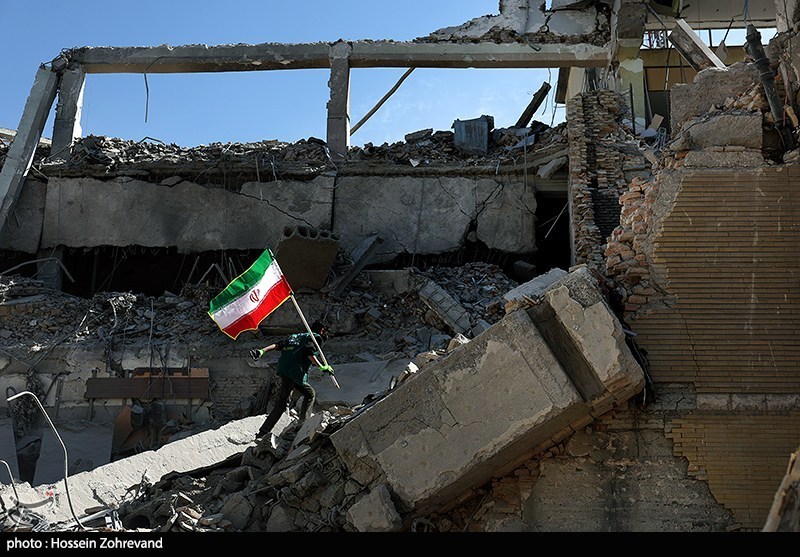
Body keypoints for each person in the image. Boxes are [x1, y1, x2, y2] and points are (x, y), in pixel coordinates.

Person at [249, 320, 334, 441]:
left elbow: (278, 345)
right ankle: (265, 433)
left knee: (309, 393)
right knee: (282, 404)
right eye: (326, 332)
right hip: (294, 372)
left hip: (285, 369)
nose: (326, 335)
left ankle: (301, 424)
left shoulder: (295, 337)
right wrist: (322, 367)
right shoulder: (316, 338)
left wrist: (262, 351)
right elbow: (309, 352)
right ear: (322, 330)